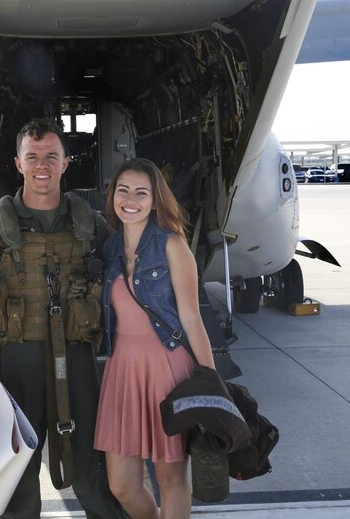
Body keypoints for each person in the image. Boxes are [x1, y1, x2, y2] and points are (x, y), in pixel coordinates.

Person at [0, 118, 126, 519]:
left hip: (76, 360)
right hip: (13, 365)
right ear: (18, 164)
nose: (43, 166)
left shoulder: (90, 224)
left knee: (92, 471)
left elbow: (127, 279)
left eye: (51, 157)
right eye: (33, 157)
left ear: (66, 162)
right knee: (16, 476)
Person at [94, 157, 217, 519]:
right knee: (122, 484)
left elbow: (193, 318)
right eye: (123, 190)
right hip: (122, 370)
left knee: (170, 478)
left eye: (141, 192)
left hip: (167, 366)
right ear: (113, 195)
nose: (130, 199)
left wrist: (210, 382)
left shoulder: (172, 245)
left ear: (154, 199)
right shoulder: (110, 250)